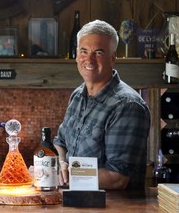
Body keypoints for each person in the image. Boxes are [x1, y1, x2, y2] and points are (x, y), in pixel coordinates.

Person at [53, 20, 150, 190]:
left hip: (114, 206)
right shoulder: (77, 95)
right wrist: (60, 164)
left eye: (98, 52)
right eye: (84, 51)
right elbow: (60, 142)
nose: (89, 60)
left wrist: (65, 176)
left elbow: (117, 178)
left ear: (113, 58)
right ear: (76, 55)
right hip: (76, 201)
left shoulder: (127, 105)